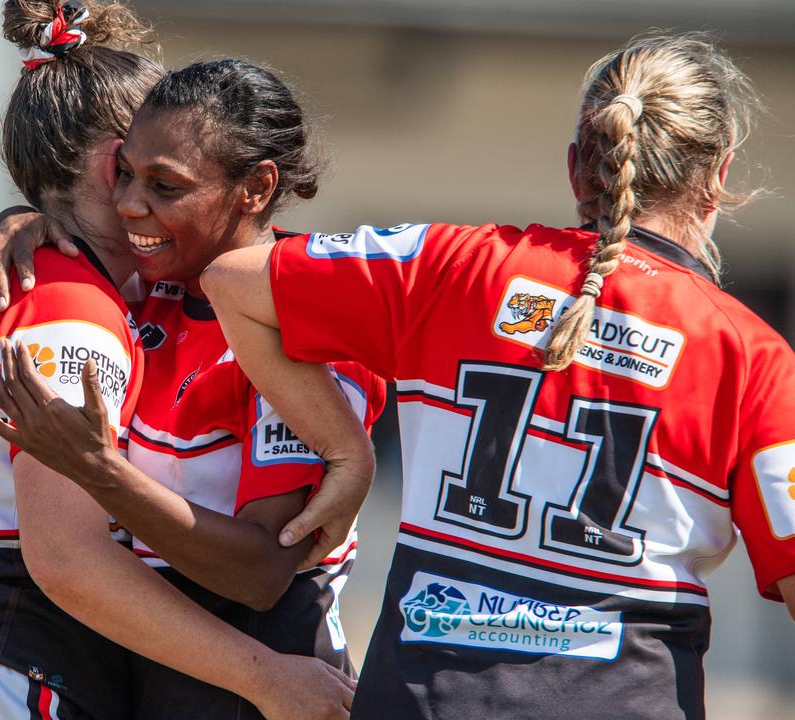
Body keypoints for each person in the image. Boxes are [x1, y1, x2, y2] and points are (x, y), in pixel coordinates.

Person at [200, 32, 795, 720]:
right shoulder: (753, 357)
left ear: (578, 168)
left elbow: (230, 282)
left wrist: (347, 457)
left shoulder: (454, 263)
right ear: (718, 176)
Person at [0, 4, 354, 719]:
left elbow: (263, 566)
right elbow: (69, 559)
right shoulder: (73, 312)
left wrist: (20, 216)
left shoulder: (121, 294)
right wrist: (264, 678)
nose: (144, 198)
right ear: (112, 161)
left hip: (19, 669)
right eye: (142, 166)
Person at [0, 59, 385, 718]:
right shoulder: (148, 294)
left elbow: (258, 573)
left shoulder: (309, 324)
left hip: (273, 684)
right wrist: (25, 218)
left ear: (256, 187)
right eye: (125, 173)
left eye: (165, 185)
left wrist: (101, 475)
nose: (131, 203)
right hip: (158, 680)